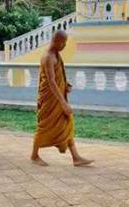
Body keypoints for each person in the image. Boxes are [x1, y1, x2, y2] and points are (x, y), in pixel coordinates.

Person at [30, 30, 93, 167]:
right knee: (44, 127)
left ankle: (76, 157)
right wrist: (63, 103)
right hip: (50, 100)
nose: (64, 46)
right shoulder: (48, 57)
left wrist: (65, 84)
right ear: (57, 41)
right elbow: (51, 82)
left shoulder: (56, 55)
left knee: (67, 123)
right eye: (64, 43)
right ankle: (34, 155)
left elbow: (57, 78)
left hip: (58, 97)